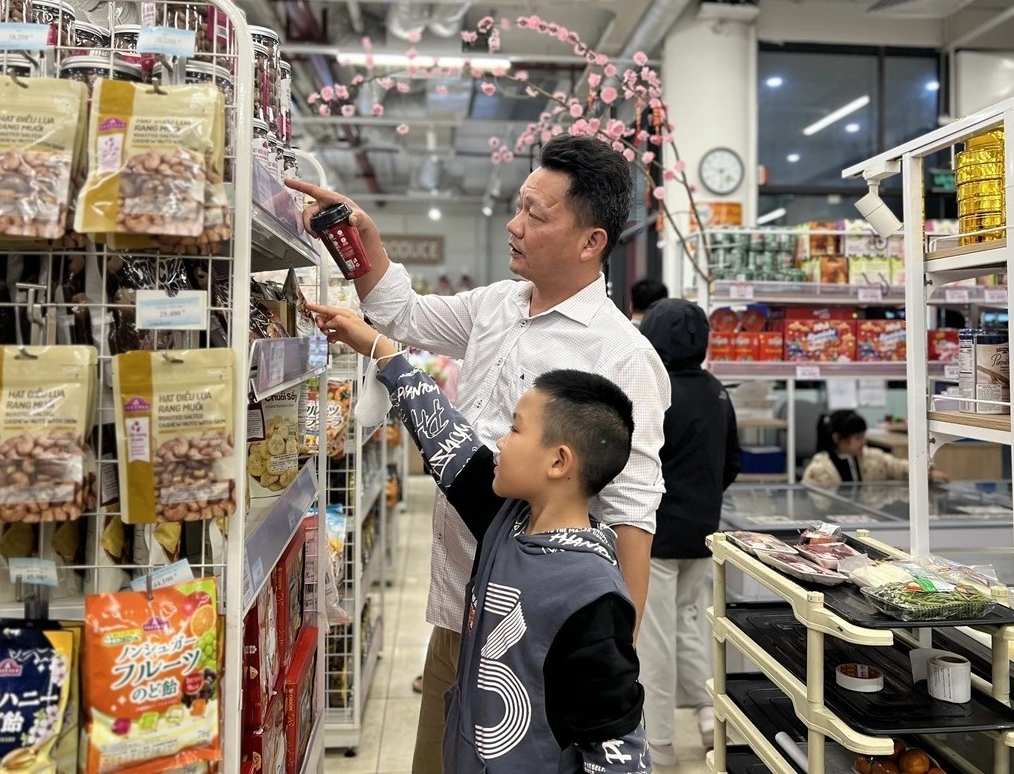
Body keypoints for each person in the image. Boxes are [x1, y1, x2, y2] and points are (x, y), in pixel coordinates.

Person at [285, 133, 669, 774]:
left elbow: (632, 515)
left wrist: (608, 663)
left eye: (535, 215)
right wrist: (363, 241)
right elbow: (403, 314)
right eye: (518, 207)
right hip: (460, 607)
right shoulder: (497, 305)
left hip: (541, 633)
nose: (514, 226)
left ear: (591, 242)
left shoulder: (622, 355)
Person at [314, 305, 650, 773]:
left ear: (558, 462)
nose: (500, 442)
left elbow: (616, 740)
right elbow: (444, 437)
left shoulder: (593, 594)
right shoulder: (504, 522)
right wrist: (381, 350)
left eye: (514, 429)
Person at [637, 299, 740, 767]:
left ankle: (659, 742)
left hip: (656, 534)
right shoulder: (718, 392)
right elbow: (732, 463)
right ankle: (707, 718)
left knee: (655, 640)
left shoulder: (654, 389)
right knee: (691, 624)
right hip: (702, 531)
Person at [802, 410, 947, 486]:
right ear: (837, 438)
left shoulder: (872, 458)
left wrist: (927, 473)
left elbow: (897, 467)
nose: (864, 442)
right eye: (857, 438)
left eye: (863, 436)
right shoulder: (819, 469)